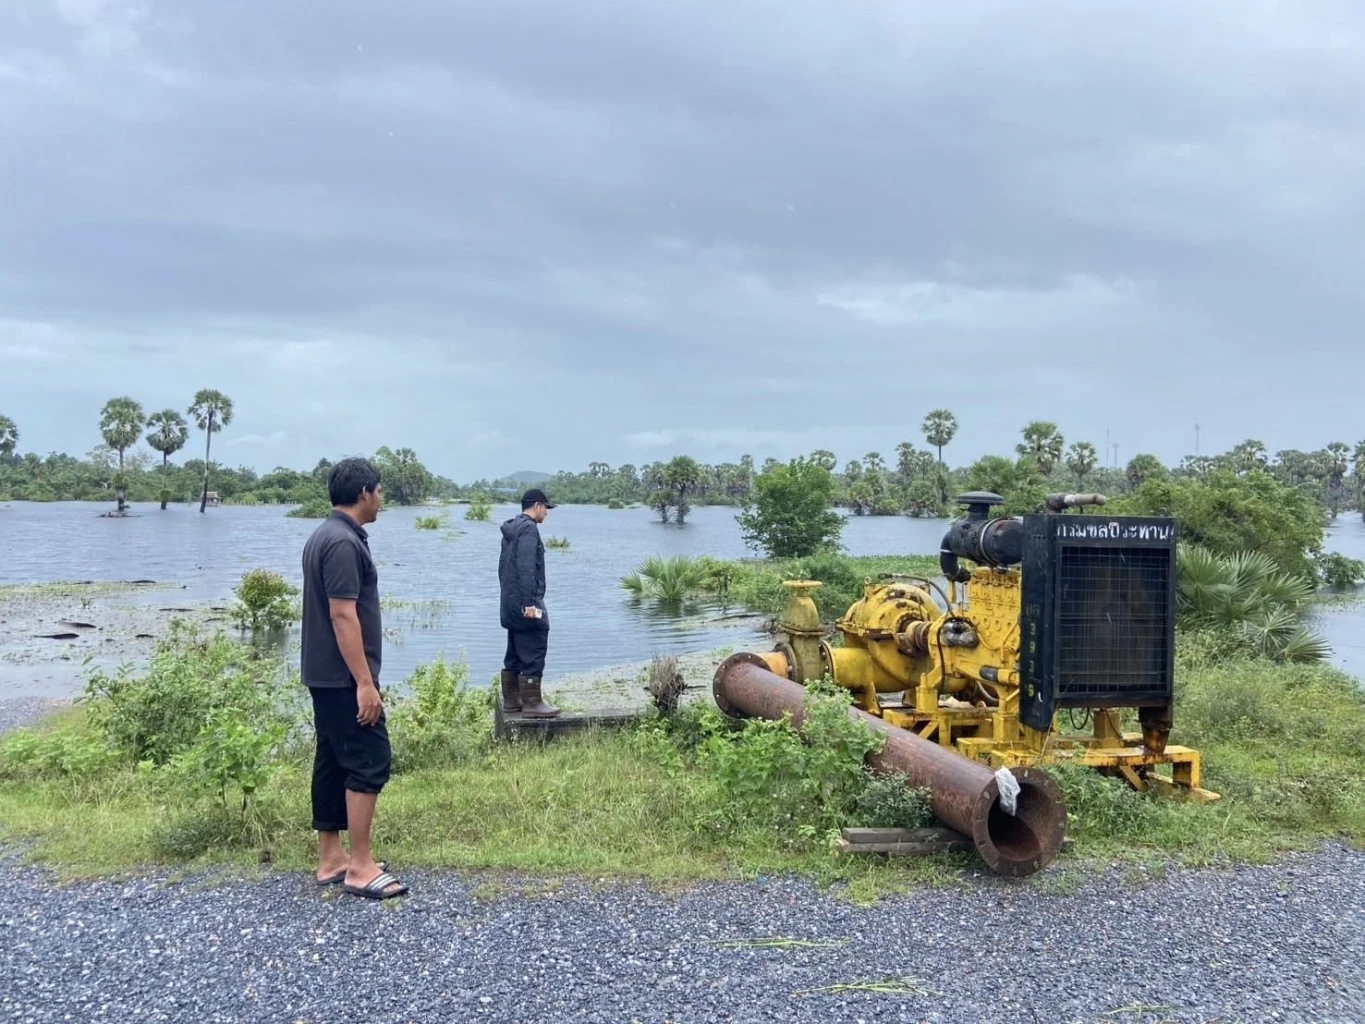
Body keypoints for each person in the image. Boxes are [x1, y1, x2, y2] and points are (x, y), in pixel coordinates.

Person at [299, 456, 407, 900]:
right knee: (369, 759)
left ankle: (332, 857)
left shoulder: (324, 534)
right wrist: (365, 683)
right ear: (364, 493)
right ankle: (361, 866)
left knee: (332, 759)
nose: (381, 499)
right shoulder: (343, 542)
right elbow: (342, 615)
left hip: (323, 674)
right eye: (379, 491)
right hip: (344, 678)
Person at [498, 488, 561, 718]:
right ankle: (533, 703)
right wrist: (529, 604)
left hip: (510, 604)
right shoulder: (529, 529)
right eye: (546, 508)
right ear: (537, 506)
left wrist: (513, 601)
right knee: (536, 640)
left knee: (515, 650)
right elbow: (526, 569)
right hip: (525, 603)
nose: (546, 513)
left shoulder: (512, 528)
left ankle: (512, 700)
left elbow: (502, 569)